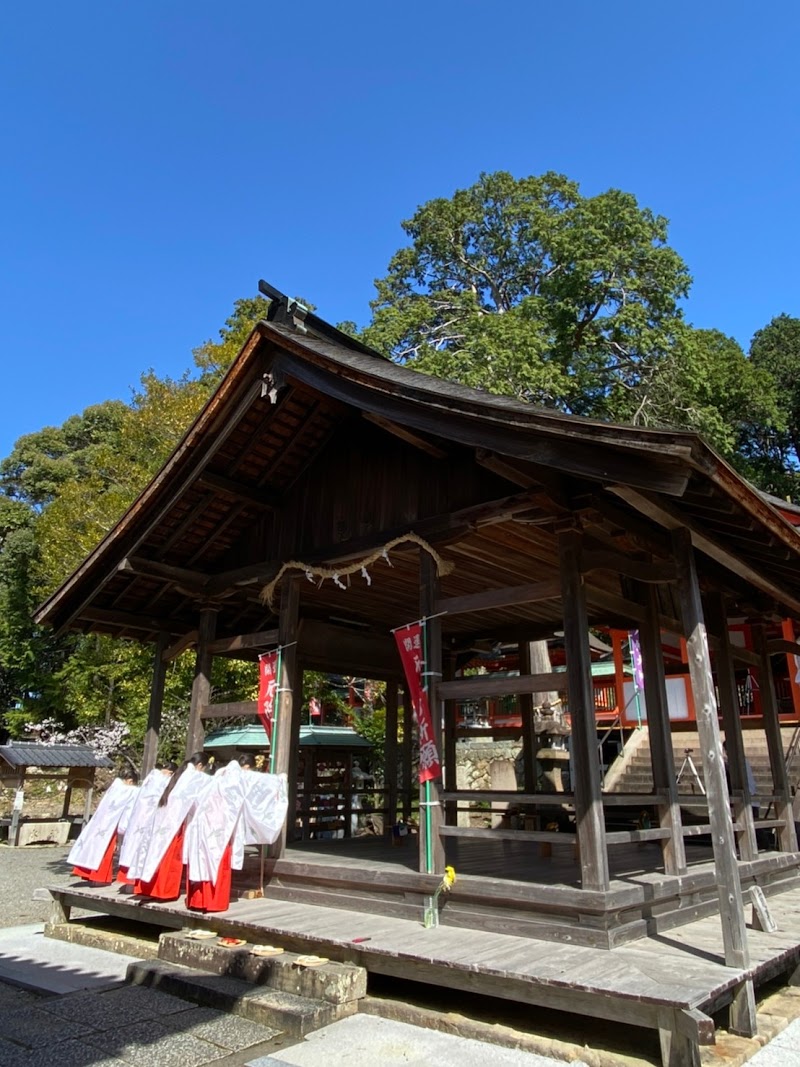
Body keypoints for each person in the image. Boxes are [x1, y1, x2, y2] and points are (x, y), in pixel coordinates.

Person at [134, 753, 211, 901]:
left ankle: (149, 888)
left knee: (155, 854)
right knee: (170, 857)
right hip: (176, 824)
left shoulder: (179, 775)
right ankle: (164, 891)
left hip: (163, 821)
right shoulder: (194, 776)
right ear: (200, 765)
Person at [185, 759, 245, 912]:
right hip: (221, 835)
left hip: (204, 831)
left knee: (202, 866)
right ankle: (214, 902)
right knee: (217, 868)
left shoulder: (210, 785)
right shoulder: (232, 790)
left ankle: (198, 901)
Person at [69, 773, 140, 884]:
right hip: (111, 824)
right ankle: (99, 878)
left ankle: (92, 876)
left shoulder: (114, 788)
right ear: (130, 781)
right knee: (105, 850)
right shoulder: (129, 790)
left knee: (95, 848)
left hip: (101, 821)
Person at [117, 763, 173, 885]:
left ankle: (129, 884)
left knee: (133, 848)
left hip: (138, 818)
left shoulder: (150, 779)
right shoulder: (161, 781)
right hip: (147, 819)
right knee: (140, 851)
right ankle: (132, 883)